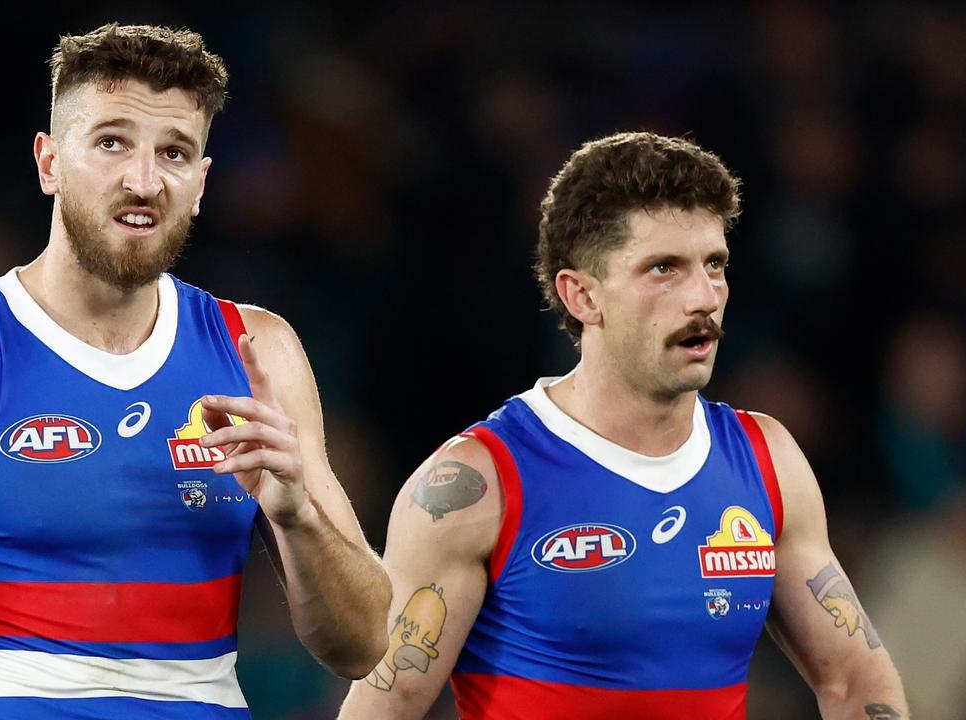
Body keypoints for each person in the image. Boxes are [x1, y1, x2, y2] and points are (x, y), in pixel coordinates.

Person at [0, 23, 389, 720]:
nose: (144, 181)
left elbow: (363, 646)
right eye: (112, 142)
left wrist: (299, 515)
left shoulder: (257, 352)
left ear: (202, 183)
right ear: (50, 162)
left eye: (175, 152)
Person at [338, 132, 908, 719]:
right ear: (582, 296)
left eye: (715, 265)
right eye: (665, 269)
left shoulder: (767, 462)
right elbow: (386, 705)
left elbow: (856, 679)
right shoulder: (477, 484)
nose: (704, 298)